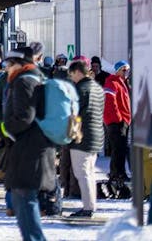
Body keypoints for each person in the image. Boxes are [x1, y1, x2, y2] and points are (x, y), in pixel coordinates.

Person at [2, 44, 55, 241]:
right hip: (35, 150)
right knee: (25, 204)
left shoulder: (24, 82)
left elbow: (24, 118)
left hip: (29, 152)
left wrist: (1, 127)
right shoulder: (36, 78)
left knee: (25, 204)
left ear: (19, 63)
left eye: (9, 64)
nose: (7, 68)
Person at [68, 60, 104, 218]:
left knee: (82, 173)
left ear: (77, 72)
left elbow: (74, 114)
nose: (71, 78)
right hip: (96, 134)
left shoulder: (80, 89)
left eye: (71, 74)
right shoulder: (97, 87)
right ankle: (91, 205)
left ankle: (88, 208)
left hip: (82, 136)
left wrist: (69, 134)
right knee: (89, 172)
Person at [104, 60, 132, 181]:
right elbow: (110, 103)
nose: (126, 72)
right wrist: (119, 119)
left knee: (121, 148)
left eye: (127, 70)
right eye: (124, 70)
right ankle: (117, 174)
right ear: (117, 70)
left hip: (123, 120)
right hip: (116, 122)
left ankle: (118, 173)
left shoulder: (122, 83)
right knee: (118, 148)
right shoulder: (112, 82)